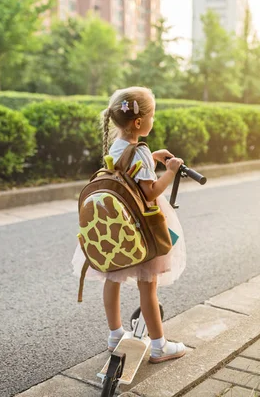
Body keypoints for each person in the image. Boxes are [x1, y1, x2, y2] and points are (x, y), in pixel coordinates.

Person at [72, 86, 187, 363]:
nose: (153, 121)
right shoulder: (141, 154)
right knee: (148, 284)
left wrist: (152, 156)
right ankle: (159, 346)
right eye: (152, 116)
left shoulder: (118, 146)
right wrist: (169, 172)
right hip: (142, 228)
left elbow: (128, 167)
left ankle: (115, 335)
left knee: (113, 278)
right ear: (138, 122)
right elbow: (149, 191)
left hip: (117, 230)